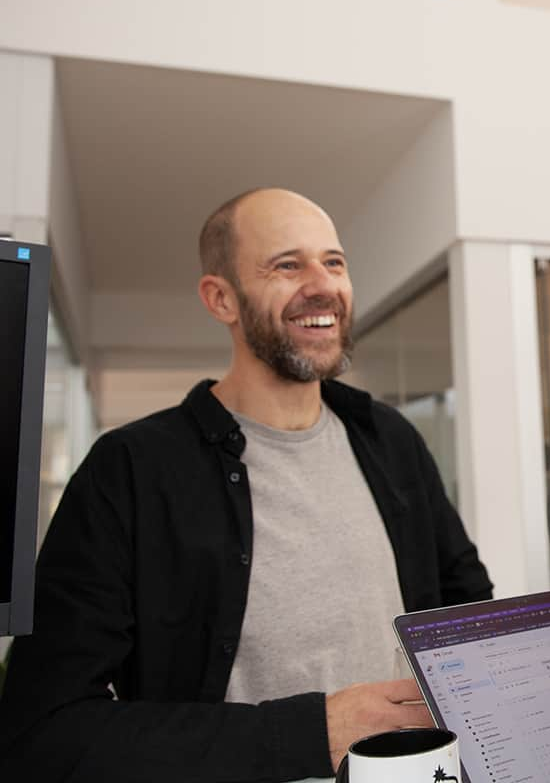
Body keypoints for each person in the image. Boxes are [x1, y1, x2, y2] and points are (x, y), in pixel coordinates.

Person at [0, 188, 493, 782]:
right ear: (221, 298)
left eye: (333, 262)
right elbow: (45, 730)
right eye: (287, 264)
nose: (322, 284)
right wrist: (315, 732)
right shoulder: (131, 469)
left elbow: (468, 609)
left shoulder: (390, 439)